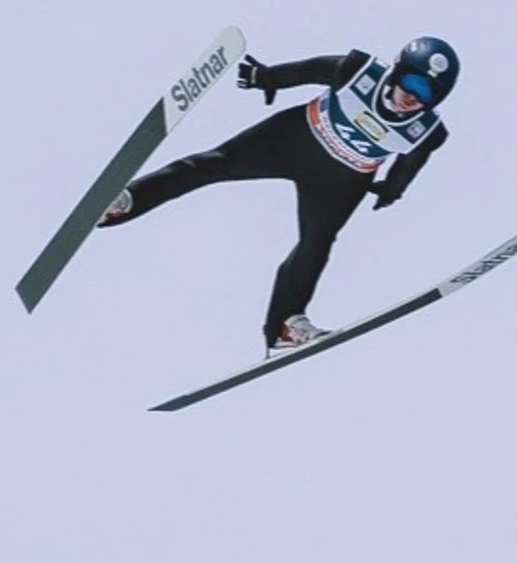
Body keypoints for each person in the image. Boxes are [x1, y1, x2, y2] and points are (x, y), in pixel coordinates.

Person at [98, 36, 458, 352]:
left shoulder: (427, 131)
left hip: (342, 179)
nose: (413, 96)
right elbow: (308, 70)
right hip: (294, 138)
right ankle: (124, 202)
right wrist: (266, 77)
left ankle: (285, 327)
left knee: (316, 245)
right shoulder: (358, 71)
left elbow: (410, 163)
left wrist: (392, 190)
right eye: (412, 82)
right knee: (210, 165)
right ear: (396, 70)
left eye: (427, 93)